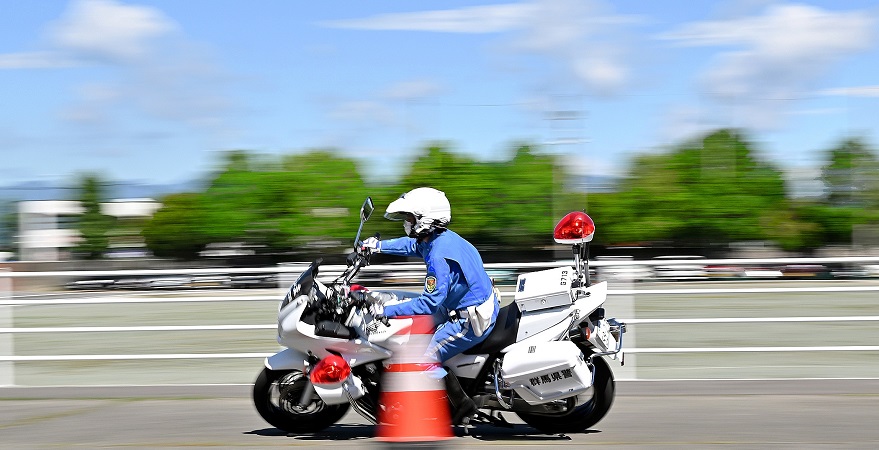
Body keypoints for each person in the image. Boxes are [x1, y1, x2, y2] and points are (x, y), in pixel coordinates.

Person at [361, 187, 500, 423]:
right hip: (465, 303)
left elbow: (429, 302)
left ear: (426, 219)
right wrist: (377, 246)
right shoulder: (440, 239)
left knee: (423, 359)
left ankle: (461, 406)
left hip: (469, 318)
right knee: (413, 330)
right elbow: (411, 246)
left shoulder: (438, 255)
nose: (406, 222)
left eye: (410, 218)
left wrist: (385, 311)